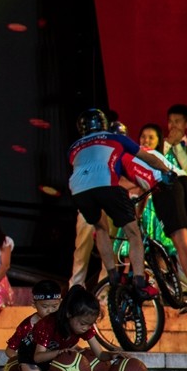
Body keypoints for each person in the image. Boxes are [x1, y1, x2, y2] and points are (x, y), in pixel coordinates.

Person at [68, 108, 174, 300]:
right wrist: (166, 171)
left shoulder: (74, 147)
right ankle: (140, 283)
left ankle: (112, 277)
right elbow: (146, 157)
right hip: (107, 186)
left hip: (78, 191)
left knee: (100, 229)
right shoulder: (115, 138)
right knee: (133, 233)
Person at [134, 123, 187, 290]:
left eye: (151, 137)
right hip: (186, 182)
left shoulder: (137, 155)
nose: (146, 140)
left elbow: (140, 187)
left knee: (182, 243)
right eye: (143, 136)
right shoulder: (160, 155)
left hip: (169, 187)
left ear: (159, 140)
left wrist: (136, 214)